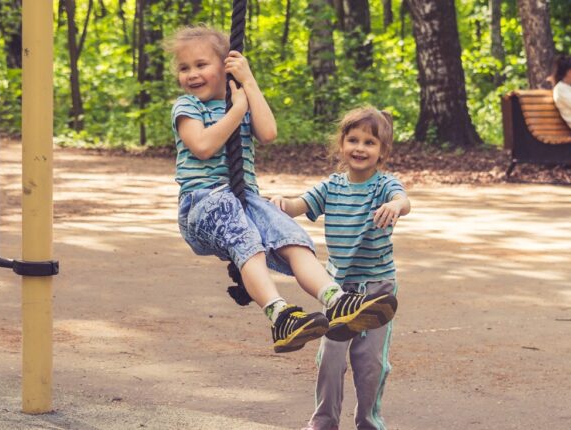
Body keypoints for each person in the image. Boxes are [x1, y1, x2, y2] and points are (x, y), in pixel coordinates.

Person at [166, 26, 398, 354]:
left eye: (201, 65)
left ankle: (337, 301)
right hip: (202, 203)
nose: (191, 74)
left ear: (226, 65)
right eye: (184, 68)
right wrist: (236, 110)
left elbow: (269, 132)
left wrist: (248, 83)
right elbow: (202, 146)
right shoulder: (187, 106)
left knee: (291, 236)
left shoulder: (240, 98)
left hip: (243, 199)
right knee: (247, 240)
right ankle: (279, 314)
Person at [270, 107, 410, 429]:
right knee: (330, 360)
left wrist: (395, 206)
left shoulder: (384, 185)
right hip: (338, 290)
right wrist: (280, 203)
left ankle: (369, 422)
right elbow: (297, 206)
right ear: (342, 144)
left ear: (382, 151)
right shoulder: (331, 187)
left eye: (370, 142)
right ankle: (324, 422)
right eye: (353, 140)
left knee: (370, 364)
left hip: (377, 290)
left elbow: (404, 201)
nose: (360, 148)